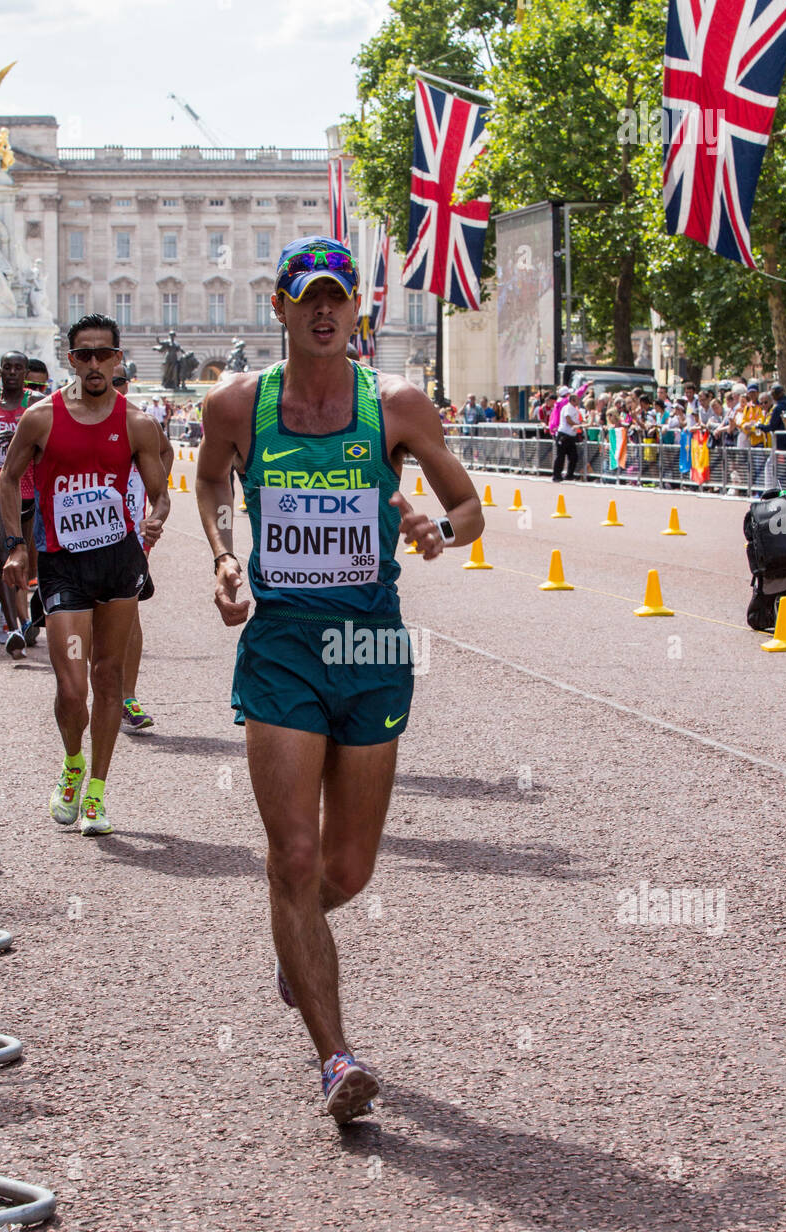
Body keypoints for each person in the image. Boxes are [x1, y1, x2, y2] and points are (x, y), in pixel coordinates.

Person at [196, 236, 484, 1124]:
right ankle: (336, 1058)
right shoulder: (236, 405)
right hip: (282, 644)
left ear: (357, 309)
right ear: (279, 307)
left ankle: (299, 932)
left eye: (338, 297)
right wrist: (223, 557)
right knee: (293, 856)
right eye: (307, 296)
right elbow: (210, 484)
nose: (324, 311)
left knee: (347, 870)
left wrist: (440, 531)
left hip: (371, 649)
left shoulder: (396, 404)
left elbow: (470, 507)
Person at [0, 313, 169, 834]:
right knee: (73, 688)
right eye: (83, 354)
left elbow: (160, 492)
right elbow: (9, 478)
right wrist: (15, 547)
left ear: (118, 358)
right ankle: (72, 762)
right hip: (63, 565)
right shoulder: (41, 418)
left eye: (103, 354)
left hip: (118, 563)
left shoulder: (137, 423)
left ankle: (97, 790)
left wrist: (156, 517)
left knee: (108, 678)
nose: (94, 363)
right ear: (70, 359)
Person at [112, 367, 174, 734]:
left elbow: (165, 450)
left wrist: (154, 504)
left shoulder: (140, 420)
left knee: (128, 610)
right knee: (92, 618)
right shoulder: (69, 416)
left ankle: (127, 697)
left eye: (119, 380)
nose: (113, 385)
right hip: (80, 538)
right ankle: (100, 691)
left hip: (131, 534)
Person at [0, 351, 45, 655]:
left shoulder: (37, 402)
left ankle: (21, 616)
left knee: (23, 558)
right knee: (4, 556)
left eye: (18, 368)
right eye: (7, 368)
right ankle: (12, 628)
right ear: (1, 370)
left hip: (27, 489)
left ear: (25, 372)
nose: (12, 372)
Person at [553, 390, 583, 483]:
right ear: (572, 400)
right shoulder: (568, 408)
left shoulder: (575, 409)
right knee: (560, 456)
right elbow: (568, 420)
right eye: (577, 399)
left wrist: (581, 424)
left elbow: (577, 420)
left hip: (571, 436)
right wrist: (577, 426)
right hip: (564, 435)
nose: (579, 401)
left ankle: (569, 474)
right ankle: (556, 475)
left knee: (573, 456)